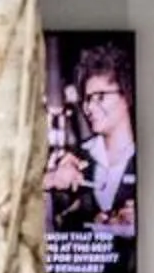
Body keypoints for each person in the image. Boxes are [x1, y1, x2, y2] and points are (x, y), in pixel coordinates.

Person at [46, 41, 137, 232]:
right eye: (87, 99)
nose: (88, 108)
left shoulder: (149, 157)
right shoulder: (77, 158)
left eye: (100, 97)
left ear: (127, 96)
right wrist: (52, 179)